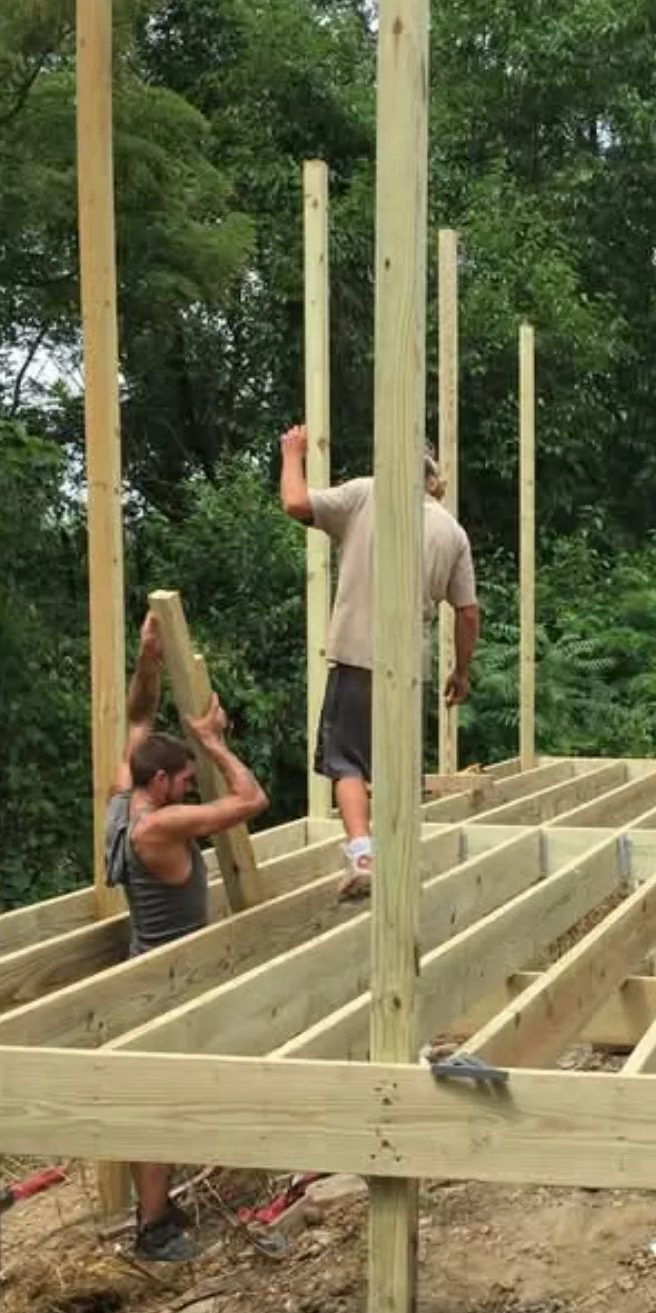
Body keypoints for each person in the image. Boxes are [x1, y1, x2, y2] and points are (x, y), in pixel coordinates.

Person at [103, 610, 269, 1261]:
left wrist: (148, 657)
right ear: (161, 783)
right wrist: (215, 740)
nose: (187, 785)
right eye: (184, 779)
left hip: (148, 962)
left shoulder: (124, 803)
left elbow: (139, 721)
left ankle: (160, 1209)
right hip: (166, 975)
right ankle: (155, 1227)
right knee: (158, 1099)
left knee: (160, 1091)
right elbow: (250, 800)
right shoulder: (157, 829)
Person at [279, 423, 480, 895]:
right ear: (432, 477)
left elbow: (295, 503)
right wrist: (461, 671)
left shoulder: (365, 495)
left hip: (355, 655)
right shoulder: (451, 530)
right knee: (396, 767)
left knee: (346, 760)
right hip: (410, 669)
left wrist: (292, 454)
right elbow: (468, 613)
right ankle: (400, 855)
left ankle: (363, 853)